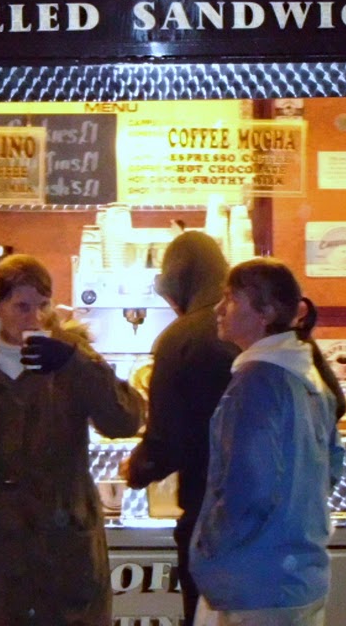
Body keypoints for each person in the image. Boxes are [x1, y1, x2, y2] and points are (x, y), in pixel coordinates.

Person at [0, 253, 144, 626]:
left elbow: (125, 419)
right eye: (22, 306)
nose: (35, 319)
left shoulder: (70, 353)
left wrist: (77, 365)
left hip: (59, 543)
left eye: (42, 305)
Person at [190, 257, 344, 626]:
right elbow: (332, 466)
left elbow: (249, 490)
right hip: (301, 576)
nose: (219, 308)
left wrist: (208, 550)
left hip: (255, 582)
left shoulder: (255, 383)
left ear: (266, 312)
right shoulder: (308, 374)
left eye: (231, 298)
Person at [119, 230, 239, 624]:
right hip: (275, 522)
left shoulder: (180, 338)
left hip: (208, 513)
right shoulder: (259, 326)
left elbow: (166, 439)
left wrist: (137, 471)